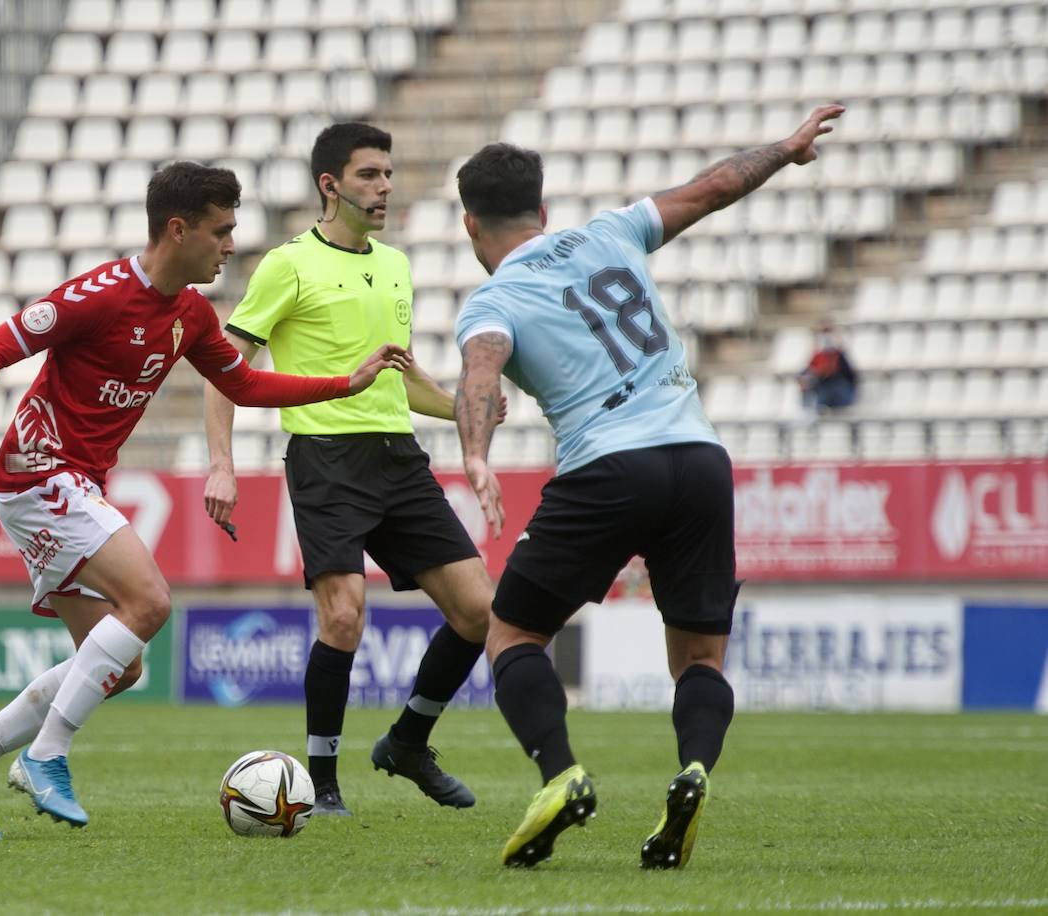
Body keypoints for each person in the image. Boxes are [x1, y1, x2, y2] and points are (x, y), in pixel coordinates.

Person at [0, 161, 411, 839]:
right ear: (178, 230)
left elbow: (246, 387)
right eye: (221, 230)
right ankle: (45, 756)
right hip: (38, 475)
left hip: (73, 484)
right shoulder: (99, 294)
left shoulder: (191, 315)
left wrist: (343, 384)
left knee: (120, 662)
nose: (231, 245)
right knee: (148, 603)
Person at [452, 104, 845, 868]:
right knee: (700, 657)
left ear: (471, 226)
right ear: (543, 207)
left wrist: (475, 457)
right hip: (698, 457)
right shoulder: (611, 231)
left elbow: (479, 377)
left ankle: (560, 775)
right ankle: (693, 769)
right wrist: (786, 147)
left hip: (608, 467)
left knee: (513, 634)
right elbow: (712, 187)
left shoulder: (493, 300)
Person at [202, 122, 501, 816]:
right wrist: (222, 463)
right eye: (369, 175)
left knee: (479, 610)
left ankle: (407, 742)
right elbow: (225, 372)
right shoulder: (287, 265)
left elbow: (401, 381)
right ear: (330, 186)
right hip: (326, 461)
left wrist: (465, 407)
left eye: (389, 174)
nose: (385, 187)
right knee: (344, 616)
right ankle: (322, 782)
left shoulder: (395, 265)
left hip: (398, 456)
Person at [798, 324, 858, 413]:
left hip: (838, 392)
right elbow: (806, 372)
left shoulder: (839, 356)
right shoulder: (817, 356)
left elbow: (850, 376)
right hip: (822, 389)